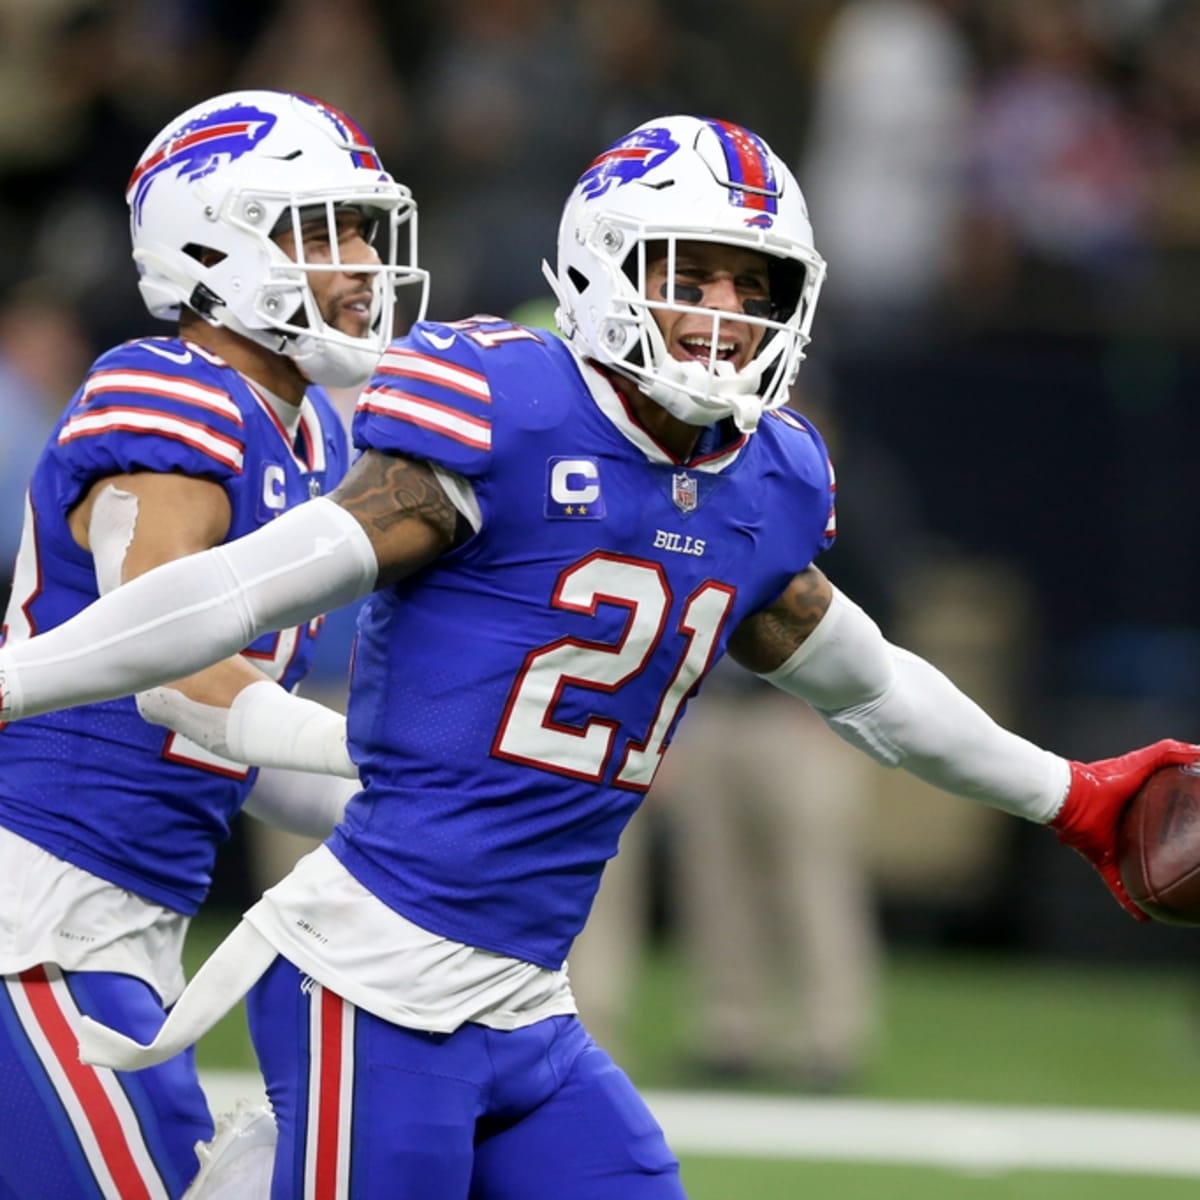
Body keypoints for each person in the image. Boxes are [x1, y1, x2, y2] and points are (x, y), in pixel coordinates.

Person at [0, 115, 1193, 1200]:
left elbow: (872, 683)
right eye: (691, 276)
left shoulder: (764, 477)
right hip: (152, 927)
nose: (360, 264)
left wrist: (1072, 796)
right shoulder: (437, 408)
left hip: (503, 987)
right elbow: (194, 616)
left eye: (755, 282)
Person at [0, 89, 427, 1200]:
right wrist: (380, 764)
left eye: (365, 232)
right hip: (33, 906)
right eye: (321, 230)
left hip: (123, 928)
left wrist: (434, 818)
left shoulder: (321, 435)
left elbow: (235, 753)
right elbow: (176, 676)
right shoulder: (168, 388)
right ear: (212, 239)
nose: (359, 265)